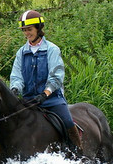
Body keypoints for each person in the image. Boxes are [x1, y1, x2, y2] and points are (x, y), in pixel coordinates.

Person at [9, 10, 83, 151]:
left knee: (67, 121)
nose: (26, 34)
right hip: (29, 100)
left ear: (38, 28)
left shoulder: (52, 49)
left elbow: (56, 76)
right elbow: (17, 76)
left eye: (29, 30)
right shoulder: (21, 52)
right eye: (24, 30)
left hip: (51, 99)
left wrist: (45, 93)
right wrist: (15, 89)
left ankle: (78, 151)